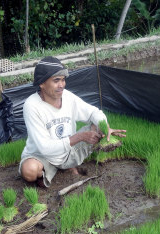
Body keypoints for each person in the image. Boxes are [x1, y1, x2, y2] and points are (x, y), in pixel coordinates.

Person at [19, 56, 126, 187]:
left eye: (63, 80)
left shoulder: (67, 96)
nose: (61, 85)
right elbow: (45, 148)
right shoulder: (32, 105)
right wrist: (80, 137)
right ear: (41, 83)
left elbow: (93, 112)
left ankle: (67, 166)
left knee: (96, 126)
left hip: (69, 151)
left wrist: (106, 127)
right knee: (29, 171)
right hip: (43, 156)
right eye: (56, 80)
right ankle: (48, 171)